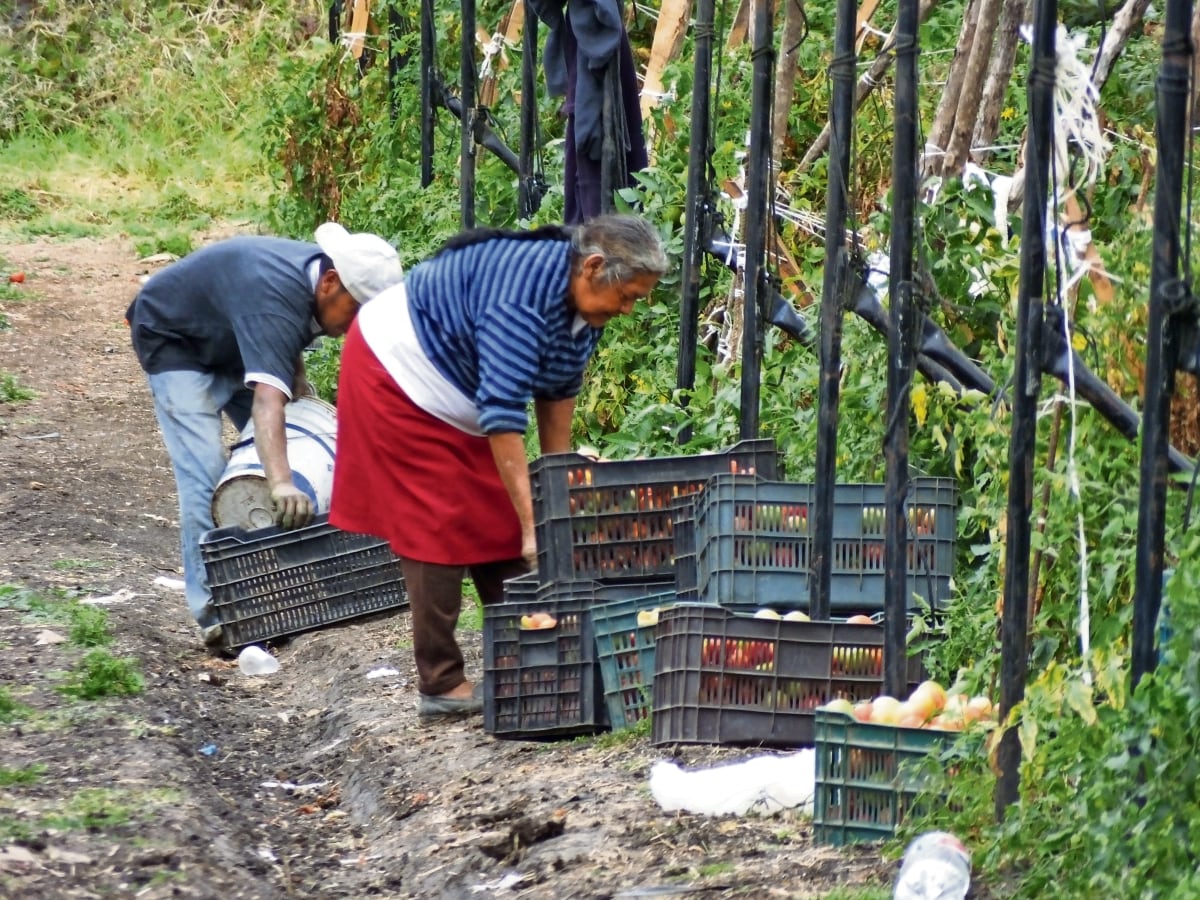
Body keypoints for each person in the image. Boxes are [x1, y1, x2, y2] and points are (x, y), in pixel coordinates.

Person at [329, 214, 667, 717]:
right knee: (437, 521)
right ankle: (441, 682)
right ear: (593, 267)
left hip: (461, 389)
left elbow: (558, 392)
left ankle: (529, 662)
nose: (628, 308)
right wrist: (533, 528)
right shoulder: (520, 299)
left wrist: (552, 495)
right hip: (396, 370)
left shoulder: (586, 306)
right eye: (627, 296)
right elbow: (503, 413)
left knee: (499, 520)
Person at [127, 224, 404, 649]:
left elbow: (282, 345)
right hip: (175, 337)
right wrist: (282, 483)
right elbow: (268, 400)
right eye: (355, 311)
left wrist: (301, 397)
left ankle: (284, 588)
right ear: (330, 282)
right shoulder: (278, 296)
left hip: (233, 339)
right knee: (207, 477)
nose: (355, 326)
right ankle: (218, 616)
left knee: (292, 449)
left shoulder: (316, 282)